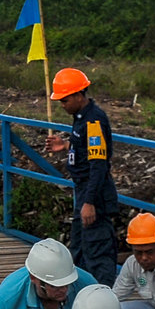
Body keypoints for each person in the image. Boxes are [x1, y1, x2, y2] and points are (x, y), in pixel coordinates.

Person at [45, 68, 118, 285]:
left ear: (79, 95)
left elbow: (98, 165)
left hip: (93, 195)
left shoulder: (94, 121)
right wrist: (66, 145)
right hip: (83, 193)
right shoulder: (80, 118)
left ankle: (102, 300)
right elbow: (86, 148)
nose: (62, 105)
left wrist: (89, 202)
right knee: (78, 250)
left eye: (65, 100)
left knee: (97, 252)